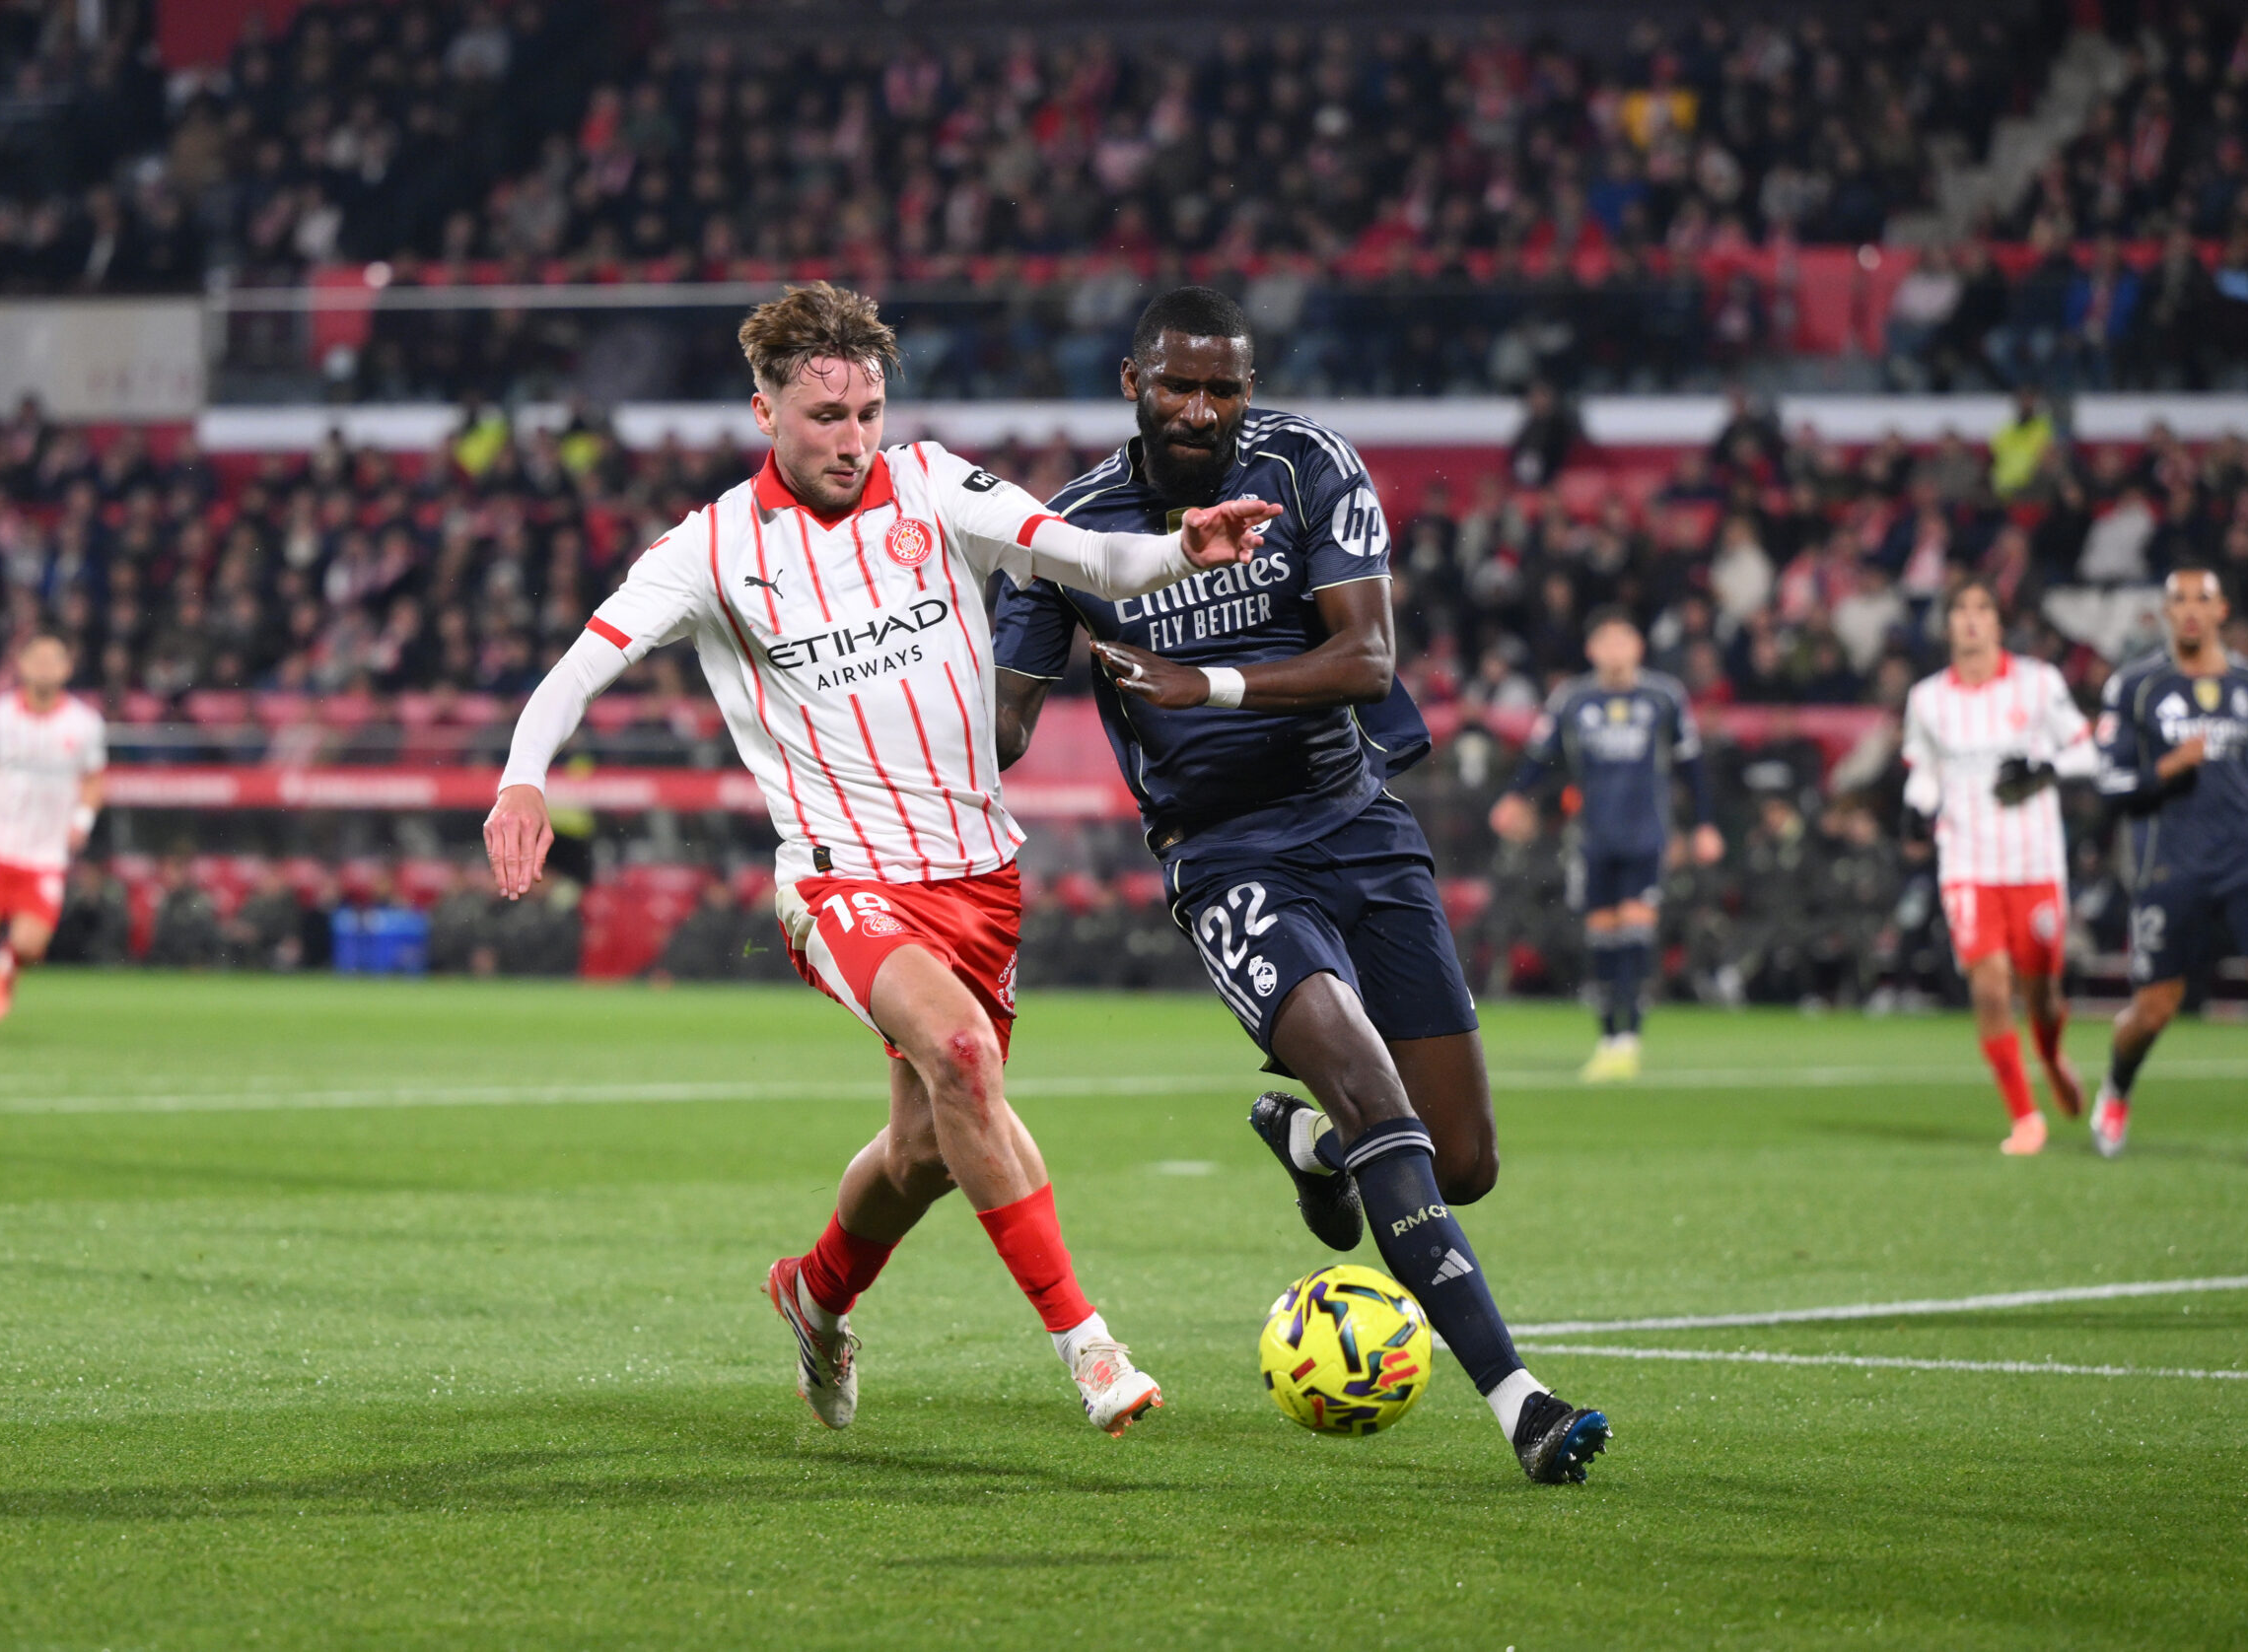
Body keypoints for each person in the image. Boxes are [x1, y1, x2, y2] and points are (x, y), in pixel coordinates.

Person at [484, 282, 1279, 1437]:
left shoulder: (936, 483)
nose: (851, 439)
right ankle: (1088, 1343)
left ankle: (812, 1292)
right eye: (824, 417)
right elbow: (577, 670)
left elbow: (1083, 561)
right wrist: (523, 773)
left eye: (865, 411)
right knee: (963, 1057)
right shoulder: (709, 548)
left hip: (976, 876)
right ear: (764, 412)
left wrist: (1178, 551)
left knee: (926, 1147)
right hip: (835, 874)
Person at [993, 286, 1611, 1486]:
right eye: (1178, 384)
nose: (1202, 407)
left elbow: (1365, 657)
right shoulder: (1065, 531)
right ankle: (1523, 1402)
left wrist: (1205, 685)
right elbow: (1004, 721)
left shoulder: (1307, 461)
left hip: (1354, 819)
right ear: (1133, 384)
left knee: (1464, 1159)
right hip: (1223, 853)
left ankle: (1316, 1146)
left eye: (1223, 385)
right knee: (1379, 1089)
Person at [2093, 568, 2248, 1167]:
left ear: (2221, 611)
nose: (2189, 610)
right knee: (2156, 1008)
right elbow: (2108, 783)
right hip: (2172, 865)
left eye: (2201, 600)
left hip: (2247, 859)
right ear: (2165, 612)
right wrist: (2165, 769)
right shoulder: (2136, 686)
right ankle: (2116, 1091)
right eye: (2178, 600)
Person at [1899, 578, 2099, 1154]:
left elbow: (2085, 749)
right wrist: (1918, 806)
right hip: (1965, 861)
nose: (1970, 618)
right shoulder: (1927, 698)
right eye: (1959, 608)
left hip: (2033, 861)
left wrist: (2044, 769)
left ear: (1998, 622)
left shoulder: (2038, 684)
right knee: (1989, 989)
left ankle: (2053, 1054)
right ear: (1947, 624)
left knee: (2043, 994)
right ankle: (2025, 1116)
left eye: (1981, 608)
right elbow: (1925, 767)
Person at [1490, 607, 1721, 1081]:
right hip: (1593, 835)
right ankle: (1606, 1037)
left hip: (1645, 834)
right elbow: (1539, 756)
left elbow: (1692, 766)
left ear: (1639, 646)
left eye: (1625, 639)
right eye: (1607, 640)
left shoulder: (1664, 696)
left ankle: (1628, 1039)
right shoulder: (1572, 699)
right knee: (1601, 936)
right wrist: (1513, 796)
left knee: (1636, 929)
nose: (1616, 649)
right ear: (1592, 649)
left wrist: (1704, 825)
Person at [0, 633, 105, 1051]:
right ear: (21, 666)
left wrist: (83, 820)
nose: (45, 667)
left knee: (31, 945)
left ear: (67, 669)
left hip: (45, 853)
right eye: (37, 659)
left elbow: (94, 778)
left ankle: (8, 966)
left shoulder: (84, 724)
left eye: (54, 659)